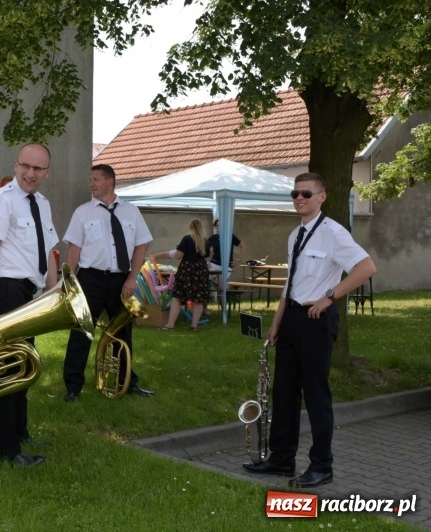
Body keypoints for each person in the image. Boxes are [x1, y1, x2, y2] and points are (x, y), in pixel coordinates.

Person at [242, 172, 376, 488]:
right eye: (295, 194)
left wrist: (330, 296)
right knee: (284, 391)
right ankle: (281, 459)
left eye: (306, 193)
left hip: (316, 321)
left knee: (316, 395)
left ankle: (321, 465)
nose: (299, 198)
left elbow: (366, 267)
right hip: (291, 319)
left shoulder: (333, 232)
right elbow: (291, 285)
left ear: (321, 197)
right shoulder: (295, 235)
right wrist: (276, 324)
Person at [0, 143, 59, 466]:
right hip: (7, 291)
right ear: (16, 164)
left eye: (38, 169)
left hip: (31, 296)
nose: (30, 173)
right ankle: (3, 451)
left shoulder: (42, 203)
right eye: (26, 165)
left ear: (47, 173)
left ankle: (19, 433)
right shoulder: (0, 202)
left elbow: (50, 252)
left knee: (25, 367)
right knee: (8, 371)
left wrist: (54, 295)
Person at [62, 164, 153, 402]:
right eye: (90, 179)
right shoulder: (83, 212)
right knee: (81, 333)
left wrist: (132, 278)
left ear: (110, 182)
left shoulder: (132, 212)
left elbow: (141, 247)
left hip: (120, 280)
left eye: (95, 179)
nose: (91, 184)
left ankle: (126, 383)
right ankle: (73, 387)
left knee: (123, 333)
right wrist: (69, 285)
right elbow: (74, 250)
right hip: (89, 279)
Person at [152, 218, 211, 331]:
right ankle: (194, 325)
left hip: (187, 269)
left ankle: (170, 324)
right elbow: (206, 257)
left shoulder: (187, 239)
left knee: (177, 297)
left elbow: (178, 255)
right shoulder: (206, 241)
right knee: (198, 299)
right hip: (201, 270)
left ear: (191, 227)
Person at [206, 218, 246, 314]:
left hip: (226, 266)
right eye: (217, 226)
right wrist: (208, 260)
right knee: (209, 284)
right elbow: (205, 251)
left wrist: (237, 260)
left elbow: (243, 247)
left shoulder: (230, 236)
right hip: (214, 264)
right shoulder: (212, 238)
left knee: (221, 285)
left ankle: (223, 310)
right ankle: (208, 308)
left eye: (220, 225)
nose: (218, 227)